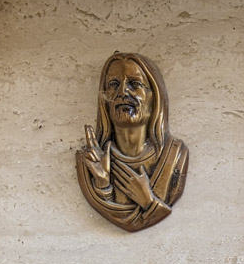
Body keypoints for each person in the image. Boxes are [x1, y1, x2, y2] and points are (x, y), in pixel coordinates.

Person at [77, 52, 189, 233]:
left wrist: (148, 201)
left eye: (134, 84)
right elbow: (125, 219)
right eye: (114, 84)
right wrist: (103, 185)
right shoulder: (89, 161)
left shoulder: (175, 156)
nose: (122, 92)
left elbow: (140, 220)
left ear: (155, 96)